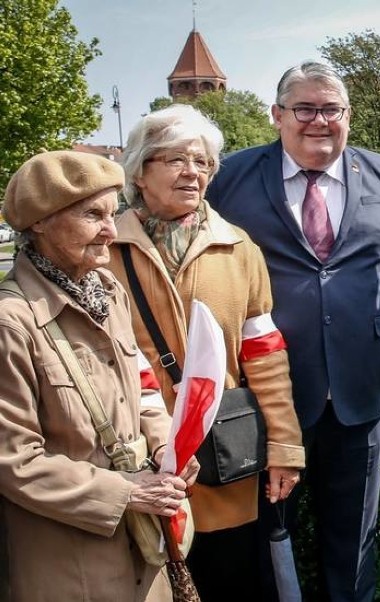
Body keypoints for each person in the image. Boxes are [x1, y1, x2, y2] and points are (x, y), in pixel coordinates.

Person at [206, 62, 380, 601]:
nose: (319, 121)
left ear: (348, 116)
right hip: (266, 398)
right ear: (277, 115)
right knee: (265, 540)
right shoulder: (231, 177)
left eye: (332, 110)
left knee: (353, 545)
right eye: (304, 109)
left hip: (360, 390)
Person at [109, 104, 305, 602]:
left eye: (202, 162)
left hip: (223, 463)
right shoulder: (104, 248)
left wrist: (283, 447)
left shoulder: (238, 248)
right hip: (132, 460)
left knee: (230, 581)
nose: (193, 171)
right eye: (175, 159)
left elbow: (264, 356)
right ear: (140, 171)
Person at [0, 151, 197, 601]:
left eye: (114, 213)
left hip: (142, 554)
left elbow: (143, 389)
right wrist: (126, 492)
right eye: (93, 215)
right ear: (39, 223)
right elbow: (13, 462)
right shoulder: (11, 322)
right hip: (67, 567)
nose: (111, 230)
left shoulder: (108, 294)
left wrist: (169, 446)